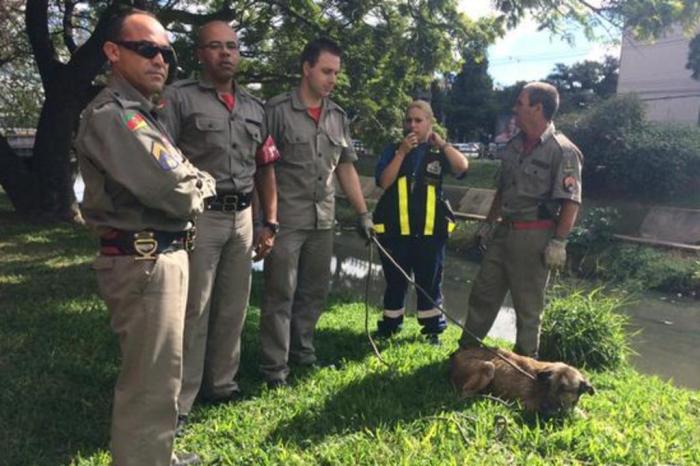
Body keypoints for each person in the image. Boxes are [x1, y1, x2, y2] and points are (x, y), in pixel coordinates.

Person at [75, 9, 216, 466]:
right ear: (113, 53)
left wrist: (192, 179)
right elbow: (175, 191)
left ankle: (158, 455)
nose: (161, 60)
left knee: (163, 375)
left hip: (159, 255)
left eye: (167, 52)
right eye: (147, 49)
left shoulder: (143, 114)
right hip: (142, 261)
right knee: (148, 382)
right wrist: (199, 184)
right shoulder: (114, 117)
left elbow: (179, 175)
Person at [158, 20, 279, 430]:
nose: (226, 53)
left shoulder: (254, 108)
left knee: (233, 307)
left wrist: (269, 221)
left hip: (243, 217)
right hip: (200, 217)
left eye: (231, 46)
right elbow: (162, 162)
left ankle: (222, 384)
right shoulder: (178, 99)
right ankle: (182, 400)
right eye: (215, 46)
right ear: (200, 54)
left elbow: (265, 169)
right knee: (195, 308)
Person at [260, 37, 373, 388]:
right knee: (280, 293)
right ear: (306, 68)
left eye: (336, 73)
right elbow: (262, 169)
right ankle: (274, 367)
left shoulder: (337, 116)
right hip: (286, 220)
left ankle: (303, 352)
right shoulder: (276, 112)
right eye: (326, 71)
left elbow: (346, 168)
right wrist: (263, 220)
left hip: (323, 220)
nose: (332, 79)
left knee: (314, 291)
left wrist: (363, 213)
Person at [458, 81, 583, 358]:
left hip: (534, 238)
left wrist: (558, 243)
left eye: (520, 103)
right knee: (483, 293)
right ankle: (466, 353)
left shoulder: (563, 151)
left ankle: (526, 367)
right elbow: (503, 190)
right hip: (503, 232)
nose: (515, 109)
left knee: (528, 307)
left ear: (538, 108)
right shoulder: (513, 146)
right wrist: (488, 224)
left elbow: (571, 201)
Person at [372, 100, 469, 345]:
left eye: (418, 120)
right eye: (408, 120)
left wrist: (443, 144)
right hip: (396, 231)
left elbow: (462, 167)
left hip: (430, 232)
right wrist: (402, 153)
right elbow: (383, 182)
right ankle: (390, 327)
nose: (412, 125)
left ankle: (432, 331)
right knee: (395, 281)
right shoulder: (393, 148)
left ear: (429, 123)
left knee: (430, 282)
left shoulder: (439, 151)